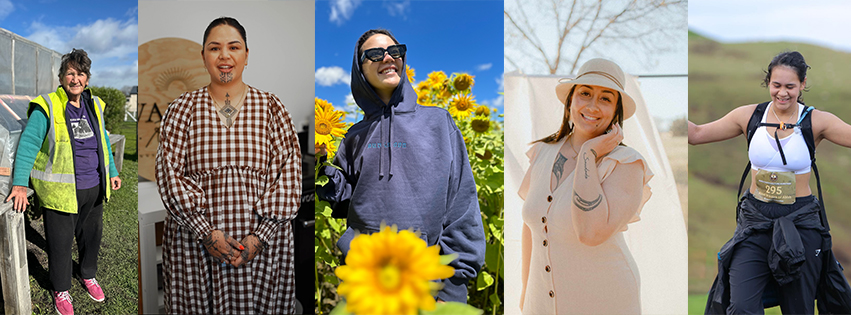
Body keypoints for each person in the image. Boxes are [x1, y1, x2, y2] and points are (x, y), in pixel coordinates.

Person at [316, 29, 485, 302]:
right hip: (365, 282)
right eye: (374, 54)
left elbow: (462, 204)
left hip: (428, 284)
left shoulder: (439, 123)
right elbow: (342, 201)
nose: (387, 58)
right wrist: (321, 164)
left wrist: (452, 283)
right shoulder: (352, 135)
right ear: (359, 69)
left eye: (395, 52)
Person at [155, 17, 301, 314]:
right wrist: (206, 232)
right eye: (214, 48)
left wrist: (259, 238)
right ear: (203, 57)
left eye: (234, 47)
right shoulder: (181, 108)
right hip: (195, 249)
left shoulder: (272, 107)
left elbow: (289, 175)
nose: (224, 56)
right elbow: (168, 174)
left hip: (261, 251)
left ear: (246, 55)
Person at [690, 51, 851, 314]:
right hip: (755, 220)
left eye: (790, 86)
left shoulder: (816, 120)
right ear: (768, 83)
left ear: (802, 84)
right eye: (776, 85)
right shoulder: (749, 116)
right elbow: (696, 134)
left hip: (800, 222)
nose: (782, 93)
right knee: (741, 306)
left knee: (797, 308)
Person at [518, 58, 654, 314]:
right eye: (585, 93)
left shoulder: (626, 164)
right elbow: (531, 225)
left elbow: (590, 234)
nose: (593, 105)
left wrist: (588, 155)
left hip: (604, 299)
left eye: (605, 98)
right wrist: (525, 290)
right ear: (570, 102)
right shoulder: (541, 153)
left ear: (616, 112)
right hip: (540, 301)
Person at [4, 48, 121, 315]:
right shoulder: (47, 105)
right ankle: (61, 289)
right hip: (60, 193)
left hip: (94, 188)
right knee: (59, 244)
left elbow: (102, 142)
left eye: (81, 74)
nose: (75, 79)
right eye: (70, 73)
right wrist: (20, 183)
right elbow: (28, 145)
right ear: (61, 77)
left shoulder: (95, 105)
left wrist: (112, 171)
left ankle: (88, 274)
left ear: (87, 79)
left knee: (91, 238)